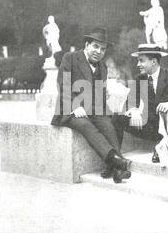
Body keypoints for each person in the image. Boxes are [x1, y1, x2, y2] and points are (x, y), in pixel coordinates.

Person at [51, 27, 132, 183]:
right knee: (85, 124)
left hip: (93, 108)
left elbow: (100, 94)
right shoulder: (70, 58)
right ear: (87, 45)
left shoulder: (102, 67)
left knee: (107, 124)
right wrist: (75, 106)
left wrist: (105, 110)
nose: (98, 51)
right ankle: (117, 162)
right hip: (69, 109)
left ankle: (116, 168)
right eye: (95, 46)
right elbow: (63, 85)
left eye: (102, 49)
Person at [112, 44, 168, 163]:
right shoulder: (140, 79)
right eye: (138, 61)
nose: (138, 64)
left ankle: (162, 146)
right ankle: (115, 158)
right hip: (150, 128)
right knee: (117, 117)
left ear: (153, 61)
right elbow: (130, 101)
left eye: (141, 61)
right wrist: (133, 110)